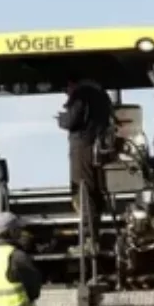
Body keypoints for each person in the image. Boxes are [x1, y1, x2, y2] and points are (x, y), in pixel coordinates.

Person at [56, 79, 113, 252]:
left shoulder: (80, 95)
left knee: (83, 191)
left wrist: (62, 119)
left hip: (82, 147)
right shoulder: (102, 95)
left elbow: (72, 121)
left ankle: (90, 241)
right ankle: (94, 236)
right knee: (95, 191)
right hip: (98, 147)